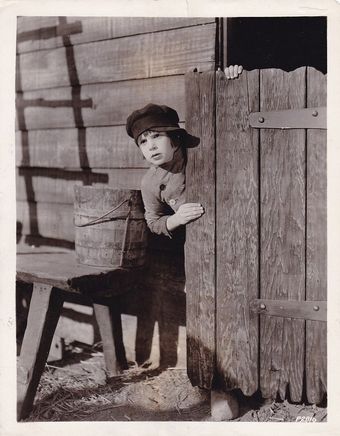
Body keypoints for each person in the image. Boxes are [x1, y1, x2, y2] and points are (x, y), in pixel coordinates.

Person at [126, 65, 243, 369]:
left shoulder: (200, 149)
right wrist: (175, 220)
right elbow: (152, 221)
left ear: (175, 138)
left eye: (156, 137)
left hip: (240, 228)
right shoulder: (151, 183)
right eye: (143, 141)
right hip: (202, 249)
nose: (150, 146)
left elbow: (230, 124)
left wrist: (232, 82)